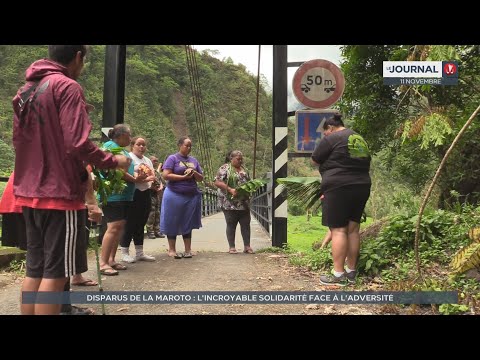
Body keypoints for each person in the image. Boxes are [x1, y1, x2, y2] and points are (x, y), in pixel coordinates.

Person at [12, 45, 130, 315]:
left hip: (29, 192)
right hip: (59, 194)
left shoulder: (25, 91)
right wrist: (114, 161)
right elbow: (77, 143)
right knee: (55, 274)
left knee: (35, 269)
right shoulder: (67, 86)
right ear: (78, 56)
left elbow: (20, 141)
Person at [311, 113, 371, 286]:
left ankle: (338, 275)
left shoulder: (333, 137)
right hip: (362, 185)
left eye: (325, 133)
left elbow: (315, 160)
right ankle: (351, 273)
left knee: (338, 230)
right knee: (353, 229)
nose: (325, 136)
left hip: (339, 186)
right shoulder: (359, 138)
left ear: (330, 128)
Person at [99, 124, 144, 274]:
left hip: (124, 194)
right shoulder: (110, 146)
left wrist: (137, 178)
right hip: (113, 194)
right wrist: (136, 179)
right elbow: (118, 171)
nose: (130, 138)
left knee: (119, 227)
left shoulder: (123, 150)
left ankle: (111, 259)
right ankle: (103, 263)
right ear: (121, 135)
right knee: (113, 227)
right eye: (129, 135)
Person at [160, 136, 204, 259]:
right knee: (172, 220)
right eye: (186, 145)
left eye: (190, 146)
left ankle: (188, 249)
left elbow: (201, 178)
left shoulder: (194, 160)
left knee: (188, 221)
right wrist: (183, 177)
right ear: (180, 145)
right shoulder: (172, 158)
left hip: (191, 195)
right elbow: (166, 175)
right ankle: (172, 249)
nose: (189, 148)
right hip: (174, 194)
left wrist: (194, 173)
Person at [120, 137, 156, 262]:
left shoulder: (147, 160)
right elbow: (128, 174)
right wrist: (140, 178)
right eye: (139, 144)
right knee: (130, 222)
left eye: (144, 145)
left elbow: (152, 174)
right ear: (132, 145)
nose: (141, 147)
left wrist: (145, 179)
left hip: (145, 192)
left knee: (141, 222)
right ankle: (124, 251)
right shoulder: (129, 158)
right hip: (132, 193)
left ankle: (139, 252)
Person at [214, 150, 254, 254]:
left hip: (244, 202)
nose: (240, 161)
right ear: (231, 158)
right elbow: (217, 182)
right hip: (229, 202)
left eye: (241, 159)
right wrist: (230, 189)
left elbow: (249, 182)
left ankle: (247, 246)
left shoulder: (244, 169)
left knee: (245, 223)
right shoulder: (224, 168)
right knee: (231, 223)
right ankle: (232, 247)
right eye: (238, 159)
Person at [146, 156, 166, 239]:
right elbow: (145, 182)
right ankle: (150, 231)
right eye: (154, 161)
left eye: (156, 161)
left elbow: (162, 181)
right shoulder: (146, 170)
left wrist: (160, 187)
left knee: (157, 212)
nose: (155, 162)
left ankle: (157, 230)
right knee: (151, 212)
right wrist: (153, 187)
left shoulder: (156, 172)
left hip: (157, 193)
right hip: (150, 193)